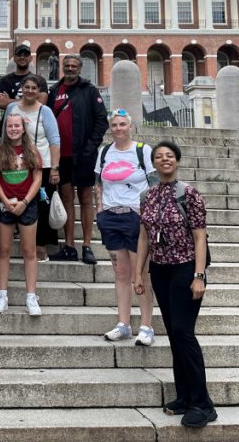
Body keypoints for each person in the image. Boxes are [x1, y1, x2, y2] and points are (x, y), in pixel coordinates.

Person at [135, 141, 217, 429]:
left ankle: (203, 404)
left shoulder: (189, 194)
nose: (164, 160)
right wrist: (138, 273)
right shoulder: (147, 196)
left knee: (184, 333)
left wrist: (199, 275)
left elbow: (199, 236)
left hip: (185, 269)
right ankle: (183, 396)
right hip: (160, 270)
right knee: (173, 333)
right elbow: (144, 237)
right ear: (154, 164)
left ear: (177, 161)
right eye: (159, 157)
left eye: (169, 156)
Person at [95, 109, 155, 345]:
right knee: (120, 273)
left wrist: (146, 213)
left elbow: (154, 183)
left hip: (135, 216)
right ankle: (123, 323)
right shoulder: (105, 151)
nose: (118, 128)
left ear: (130, 126)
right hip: (111, 216)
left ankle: (146, 325)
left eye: (122, 124)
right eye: (114, 125)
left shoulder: (142, 150)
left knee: (140, 273)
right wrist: (100, 209)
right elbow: (98, 183)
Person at [46, 54, 108, 264]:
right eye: (67, 65)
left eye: (74, 66)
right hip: (60, 155)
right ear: (62, 67)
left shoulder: (89, 90)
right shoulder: (54, 91)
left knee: (85, 198)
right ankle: (70, 245)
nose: (70, 68)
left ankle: (87, 245)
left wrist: (91, 148)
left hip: (84, 154)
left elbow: (102, 121)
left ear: (80, 68)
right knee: (66, 198)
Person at [0, 113, 43, 316]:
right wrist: (4, 201)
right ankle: (2, 294)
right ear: (5, 129)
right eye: (10, 126)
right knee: (3, 250)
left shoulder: (31, 150)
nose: (13, 129)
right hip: (5, 204)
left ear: (23, 128)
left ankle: (31, 296)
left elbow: (37, 179)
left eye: (16, 126)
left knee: (30, 252)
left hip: (27, 203)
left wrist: (25, 202)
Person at [3, 74, 59, 262]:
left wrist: (55, 168)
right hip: (15, 165)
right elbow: (5, 135)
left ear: (40, 91)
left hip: (40, 165)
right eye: (26, 87)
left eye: (34, 88)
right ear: (21, 89)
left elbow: (54, 140)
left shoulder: (45, 111)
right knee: (14, 201)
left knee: (41, 207)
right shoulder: (12, 108)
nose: (30, 91)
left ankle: (40, 246)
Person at [0, 44, 46, 110]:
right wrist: (32, 99)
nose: (22, 57)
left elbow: (42, 102)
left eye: (26, 55)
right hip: (11, 118)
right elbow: (0, 103)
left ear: (30, 58)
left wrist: (9, 100)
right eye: (19, 55)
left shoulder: (40, 80)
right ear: (14, 58)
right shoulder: (4, 80)